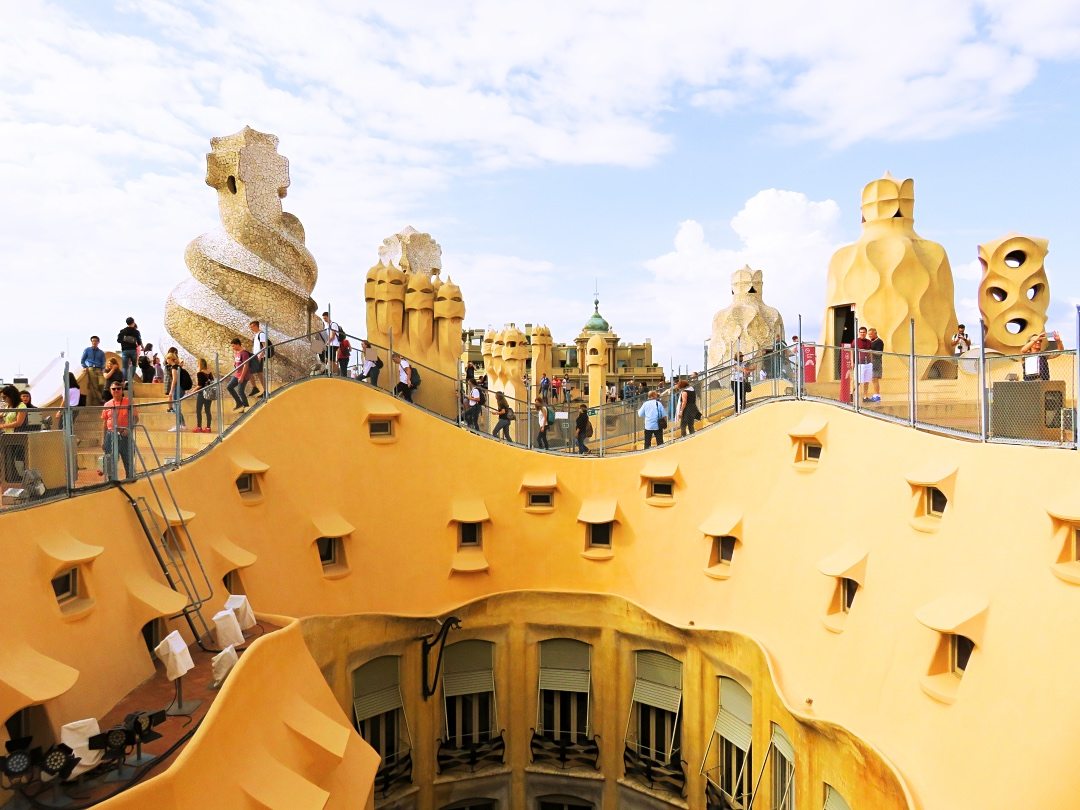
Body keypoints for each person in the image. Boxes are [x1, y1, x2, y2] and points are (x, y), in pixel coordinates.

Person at [101, 381, 137, 481]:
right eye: (114, 389)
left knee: (128, 459)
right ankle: (112, 481)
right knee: (110, 460)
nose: (116, 390)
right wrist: (103, 440)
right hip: (110, 435)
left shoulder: (129, 402)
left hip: (124, 434)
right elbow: (104, 424)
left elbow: (135, 418)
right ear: (110, 391)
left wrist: (129, 429)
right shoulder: (107, 404)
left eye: (118, 388)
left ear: (122, 390)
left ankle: (130, 479)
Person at [0, 385, 28, 482]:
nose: (3, 400)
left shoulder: (21, 406)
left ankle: (18, 479)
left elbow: (18, 422)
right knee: (7, 459)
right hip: (7, 437)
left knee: (16, 459)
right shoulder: (8, 406)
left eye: (4, 397)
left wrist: (2, 426)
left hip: (17, 437)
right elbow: (3, 415)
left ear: (11, 395)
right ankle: (9, 479)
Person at [227, 338, 252, 412]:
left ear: (238, 344)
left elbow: (246, 366)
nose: (233, 348)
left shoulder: (244, 353)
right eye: (232, 346)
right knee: (229, 387)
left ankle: (246, 407)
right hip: (237, 374)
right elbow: (237, 364)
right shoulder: (237, 353)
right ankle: (239, 403)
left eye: (233, 346)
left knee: (240, 391)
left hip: (244, 375)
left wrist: (242, 377)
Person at [80, 335, 106, 405]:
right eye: (93, 341)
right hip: (91, 368)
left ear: (98, 342)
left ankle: (99, 398)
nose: (94, 342)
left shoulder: (101, 352)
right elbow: (82, 360)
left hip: (99, 369)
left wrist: (103, 369)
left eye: (96, 341)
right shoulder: (87, 350)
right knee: (94, 386)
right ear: (91, 342)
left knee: (102, 384)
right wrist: (85, 367)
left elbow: (103, 362)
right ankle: (101, 400)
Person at [166, 356, 188, 432]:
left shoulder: (174, 367)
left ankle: (181, 425)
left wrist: (171, 391)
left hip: (178, 388)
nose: (166, 360)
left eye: (167, 358)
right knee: (177, 407)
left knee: (176, 407)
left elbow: (175, 380)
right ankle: (181, 424)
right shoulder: (178, 366)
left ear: (170, 359)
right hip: (180, 388)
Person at [116, 317, 141, 381]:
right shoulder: (136, 332)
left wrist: (125, 339)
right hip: (133, 350)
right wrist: (132, 340)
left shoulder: (122, 331)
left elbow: (118, 340)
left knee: (125, 367)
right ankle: (130, 379)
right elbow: (139, 342)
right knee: (134, 365)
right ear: (133, 322)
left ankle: (125, 380)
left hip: (125, 351)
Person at [248, 320, 268, 396]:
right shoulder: (256, 335)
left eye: (251, 327)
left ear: (256, 326)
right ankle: (256, 388)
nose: (251, 329)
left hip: (259, 357)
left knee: (258, 373)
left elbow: (265, 346)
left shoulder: (261, 334)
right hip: (255, 356)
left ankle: (263, 391)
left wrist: (260, 356)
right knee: (255, 373)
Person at [195, 358, 214, 433]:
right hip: (209, 394)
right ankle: (208, 428)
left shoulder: (199, 373)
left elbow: (200, 385)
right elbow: (212, 383)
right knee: (207, 411)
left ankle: (199, 427)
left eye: (198, 363)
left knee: (198, 410)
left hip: (201, 394)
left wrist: (192, 391)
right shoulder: (210, 373)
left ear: (200, 364)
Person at [855, 326, 873, 402]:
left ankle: (865, 397)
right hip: (859, 364)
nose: (862, 333)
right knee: (858, 380)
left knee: (866, 381)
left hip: (868, 364)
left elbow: (871, 352)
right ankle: (851, 394)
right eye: (861, 332)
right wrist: (853, 362)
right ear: (859, 333)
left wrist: (871, 362)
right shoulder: (856, 341)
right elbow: (851, 351)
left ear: (866, 333)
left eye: (863, 332)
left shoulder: (869, 342)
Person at [867, 327, 884, 403]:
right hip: (870, 362)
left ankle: (877, 396)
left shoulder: (879, 342)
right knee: (873, 379)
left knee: (875, 379)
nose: (869, 335)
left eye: (871, 334)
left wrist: (871, 351)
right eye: (869, 334)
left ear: (875, 333)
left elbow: (879, 353)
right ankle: (875, 395)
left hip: (876, 362)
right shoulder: (871, 341)